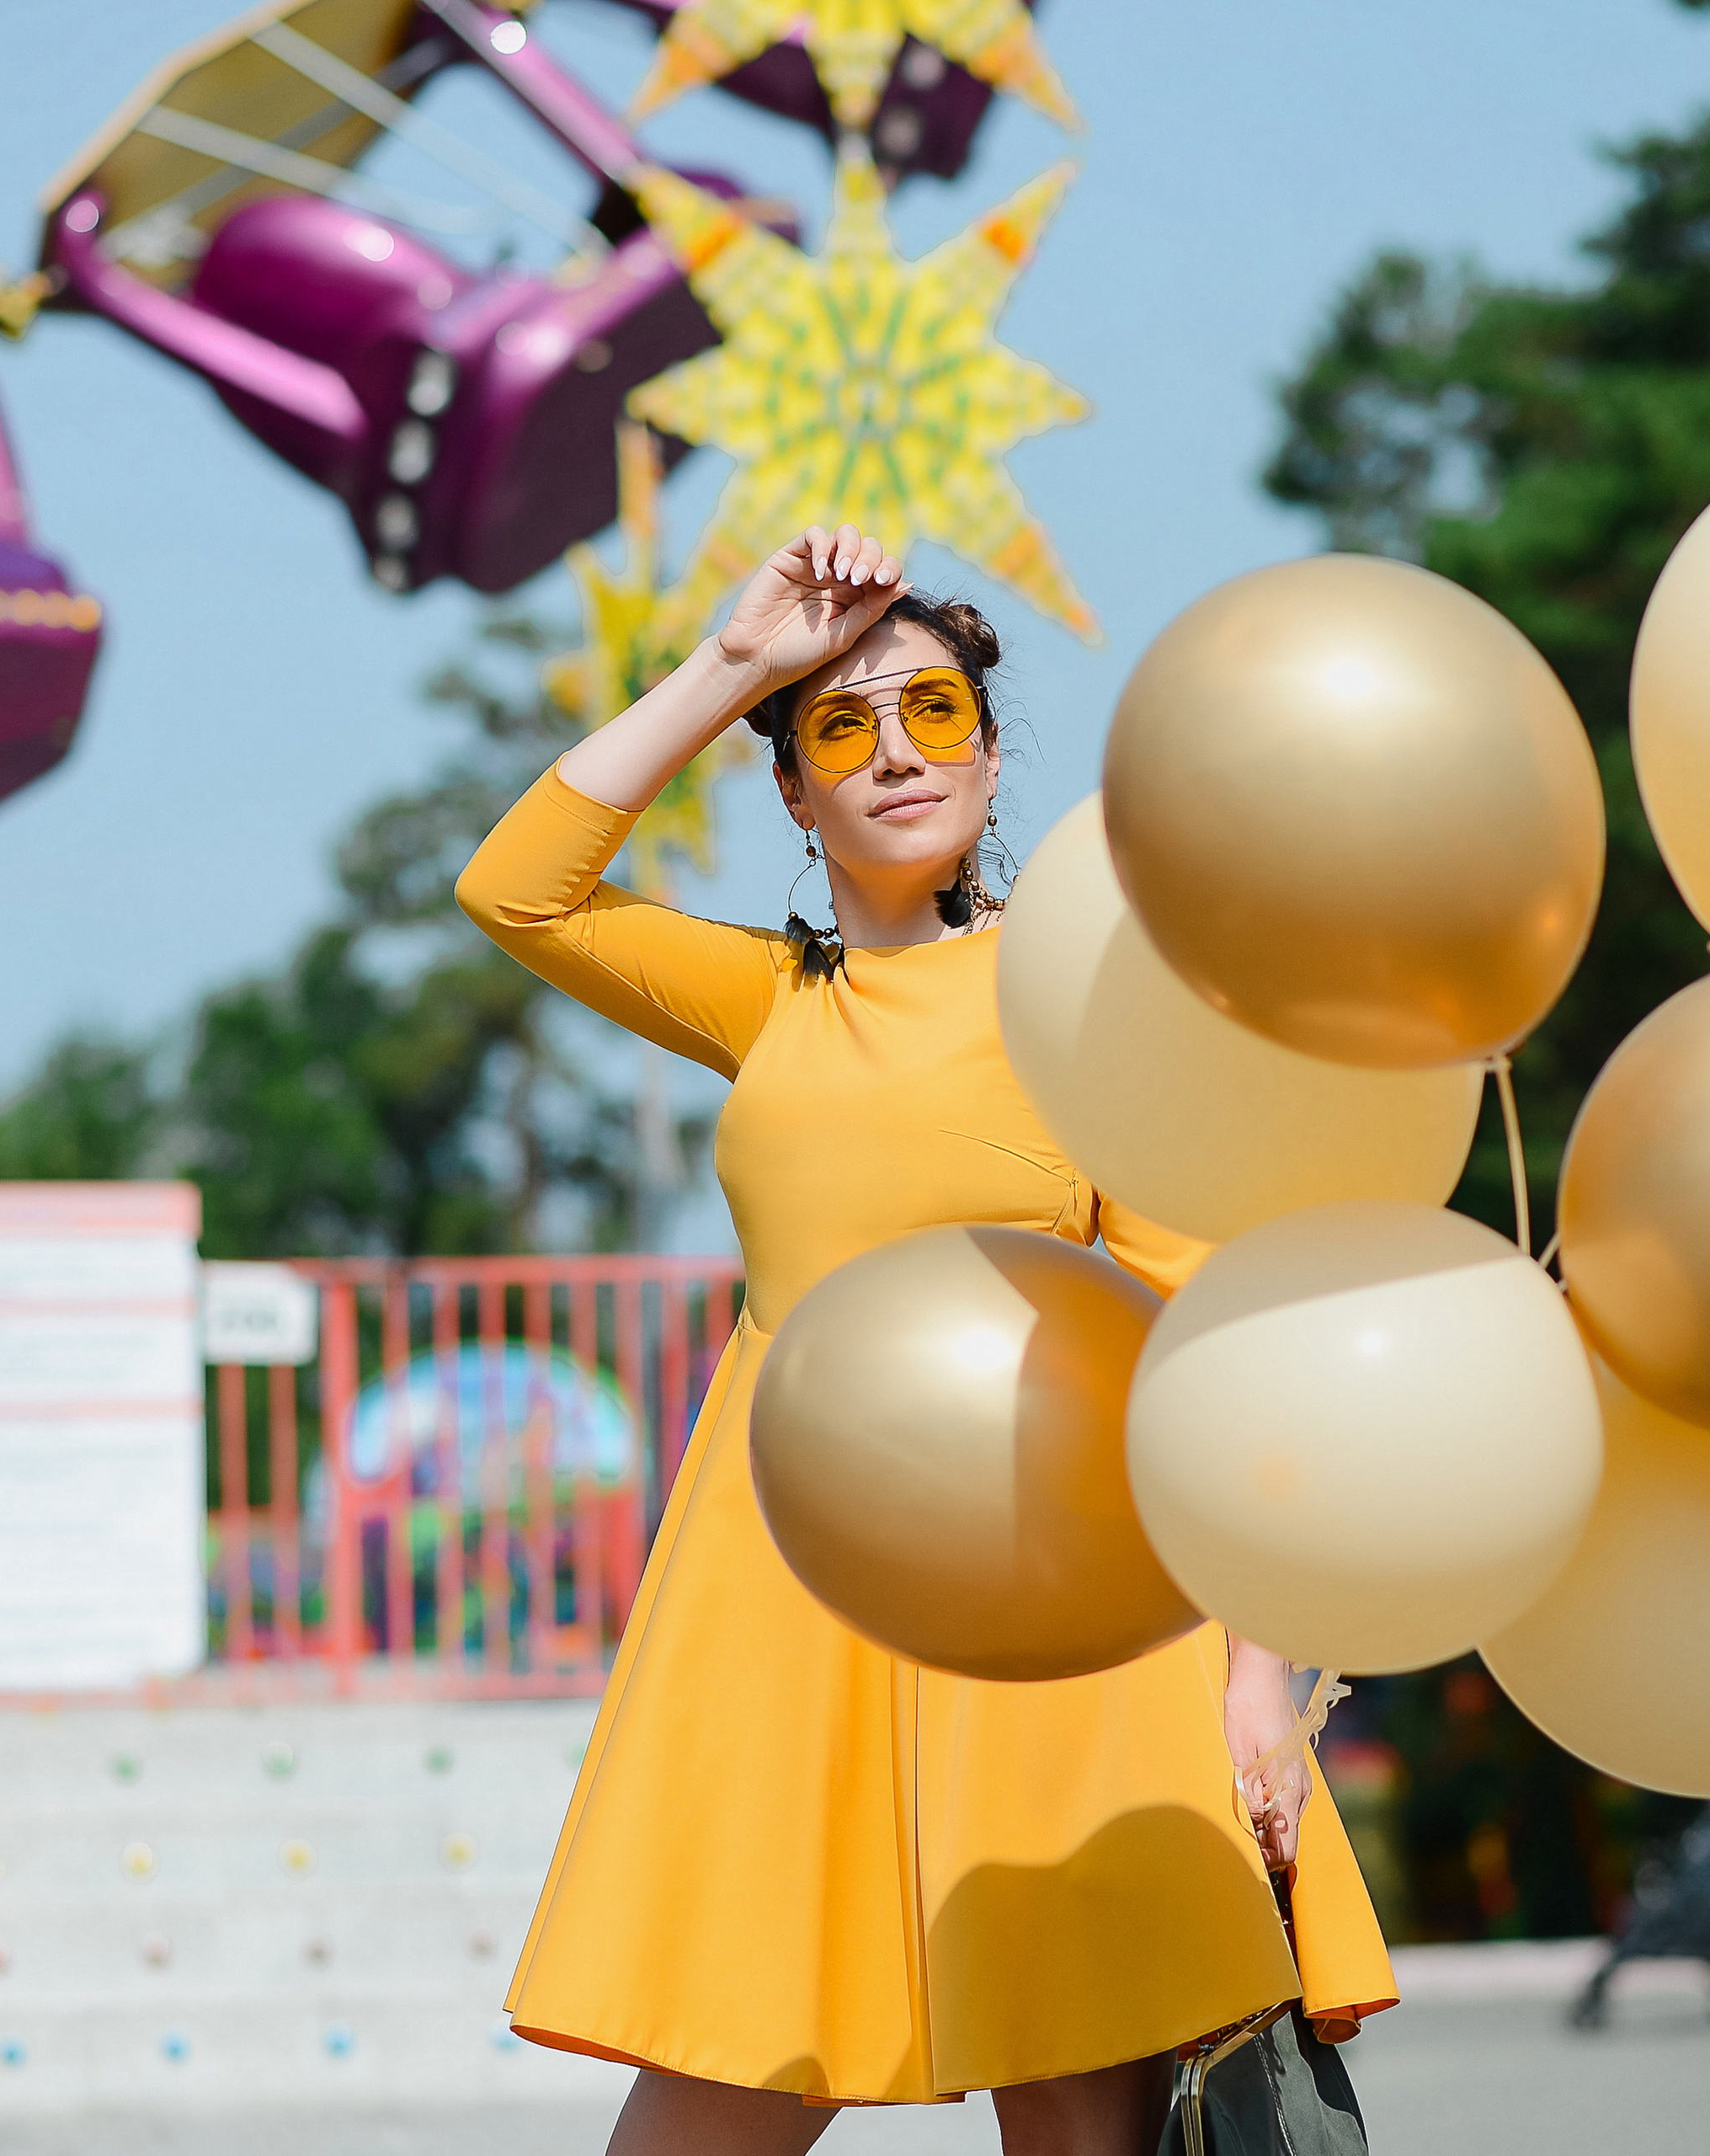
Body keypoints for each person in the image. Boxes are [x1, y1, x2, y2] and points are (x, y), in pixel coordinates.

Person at [457, 526, 1396, 2153]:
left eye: (936, 711)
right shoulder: (770, 1001)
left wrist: (1258, 1676)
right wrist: (739, 662)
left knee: (1071, 2099)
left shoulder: (1086, 992)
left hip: (1065, 1612)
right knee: (716, 2091)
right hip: (791, 1616)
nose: (896, 750)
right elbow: (516, 886)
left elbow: (1211, 1343)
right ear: (796, 795)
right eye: (845, 725)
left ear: (987, 751)